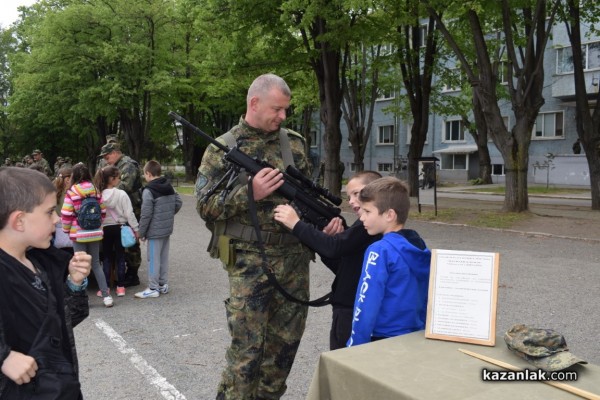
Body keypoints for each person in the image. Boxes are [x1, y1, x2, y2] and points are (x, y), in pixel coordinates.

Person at [196, 73, 313, 400]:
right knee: (246, 354)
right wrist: (249, 193)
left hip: (294, 262)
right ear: (254, 103)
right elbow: (204, 207)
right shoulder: (223, 147)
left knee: (282, 353)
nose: (283, 116)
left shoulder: (294, 144)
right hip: (249, 264)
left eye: (286, 110)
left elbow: (308, 198)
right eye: (277, 109)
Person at [0, 167, 92, 399]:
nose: (58, 219)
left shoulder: (41, 262)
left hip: (57, 386)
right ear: (19, 220)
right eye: (50, 212)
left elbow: (60, 323)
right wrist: (4, 357)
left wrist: (74, 283)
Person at [273, 171, 383, 350]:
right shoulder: (364, 225)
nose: (353, 201)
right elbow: (343, 266)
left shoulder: (368, 226)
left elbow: (334, 247)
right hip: (349, 309)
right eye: (349, 196)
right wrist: (325, 243)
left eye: (358, 193)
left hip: (352, 312)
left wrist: (296, 224)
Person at [347, 176, 431, 347]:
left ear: (389, 215)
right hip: (416, 336)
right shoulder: (420, 247)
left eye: (368, 211)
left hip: (383, 339)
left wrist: (355, 345)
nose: (361, 218)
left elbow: (366, 303)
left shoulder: (379, 250)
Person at [61, 163, 111, 307]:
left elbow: (66, 214)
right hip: (95, 233)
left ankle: (84, 298)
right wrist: (97, 225)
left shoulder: (72, 192)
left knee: (80, 267)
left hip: (78, 233)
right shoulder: (95, 190)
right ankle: (106, 296)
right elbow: (103, 211)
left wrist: (67, 230)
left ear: (73, 176)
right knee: (95, 264)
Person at [134, 161, 182, 299]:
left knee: (153, 259)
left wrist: (141, 233)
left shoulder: (148, 190)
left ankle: (153, 288)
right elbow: (178, 202)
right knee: (163, 258)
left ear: (148, 173)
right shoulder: (169, 186)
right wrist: (167, 215)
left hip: (154, 231)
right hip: (166, 230)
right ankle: (163, 284)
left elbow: (146, 214)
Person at [99, 143, 143, 287]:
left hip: (131, 208)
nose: (106, 160)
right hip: (119, 207)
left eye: (107, 156)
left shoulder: (128, 165)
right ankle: (122, 271)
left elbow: (126, 185)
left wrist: (106, 187)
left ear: (114, 153)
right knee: (121, 243)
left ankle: (133, 273)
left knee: (131, 242)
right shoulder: (116, 165)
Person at [95, 166, 140, 298]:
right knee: (120, 257)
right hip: (120, 228)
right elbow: (129, 213)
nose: (119, 180)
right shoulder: (121, 194)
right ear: (112, 179)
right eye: (118, 177)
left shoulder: (99, 195)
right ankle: (121, 287)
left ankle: (106, 287)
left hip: (105, 229)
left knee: (107, 258)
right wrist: (136, 229)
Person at [53, 166, 74, 253]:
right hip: (70, 227)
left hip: (57, 229)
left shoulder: (53, 192)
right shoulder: (71, 193)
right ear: (68, 179)